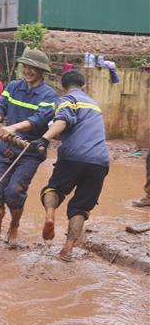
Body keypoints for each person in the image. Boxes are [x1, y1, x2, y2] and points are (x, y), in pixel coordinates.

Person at [32, 69, 109, 262]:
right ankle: (67, 250)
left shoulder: (66, 99)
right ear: (83, 85)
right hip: (99, 161)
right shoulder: (94, 105)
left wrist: (44, 138)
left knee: (53, 189)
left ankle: (50, 216)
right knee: (81, 207)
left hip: (73, 156)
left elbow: (63, 120)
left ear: (62, 85)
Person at [0, 49, 58, 246]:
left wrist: (13, 127)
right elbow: (0, 106)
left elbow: (39, 119)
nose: (28, 70)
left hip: (30, 152)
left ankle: (14, 225)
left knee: (14, 192)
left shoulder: (49, 95)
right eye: (25, 66)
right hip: (6, 147)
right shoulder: (13, 86)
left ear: (41, 71)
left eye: (32, 68)